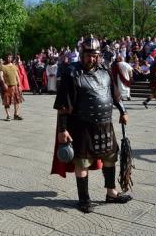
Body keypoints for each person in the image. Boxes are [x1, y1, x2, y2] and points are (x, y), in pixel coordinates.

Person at [51, 37, 131, 213]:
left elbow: (114, 94)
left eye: (94, 55)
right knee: (82, 162)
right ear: (82, 54)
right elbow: (64, 104)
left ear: (99, 56)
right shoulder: (71, 72)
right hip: (82, 127)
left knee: (110, 158)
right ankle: (84, 199)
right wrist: (63, 129)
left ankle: (111, 193)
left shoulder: (105, 71)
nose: (91, 59)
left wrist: (123, 111)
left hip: (105, 124)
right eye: (88, 55)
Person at [0, 54, 23, 121]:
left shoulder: (14, 66)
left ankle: (16, 114)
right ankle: (8, 115)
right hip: (7, 87)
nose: (9, 58)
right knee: (6, 102)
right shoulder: (2, 66)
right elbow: (1, 76)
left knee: (17, 101)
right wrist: (4, 84)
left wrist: (20, 85)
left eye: (10, 57)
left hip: (15, 86)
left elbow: (17, 76)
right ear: (6, 58)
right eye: (8, 57)